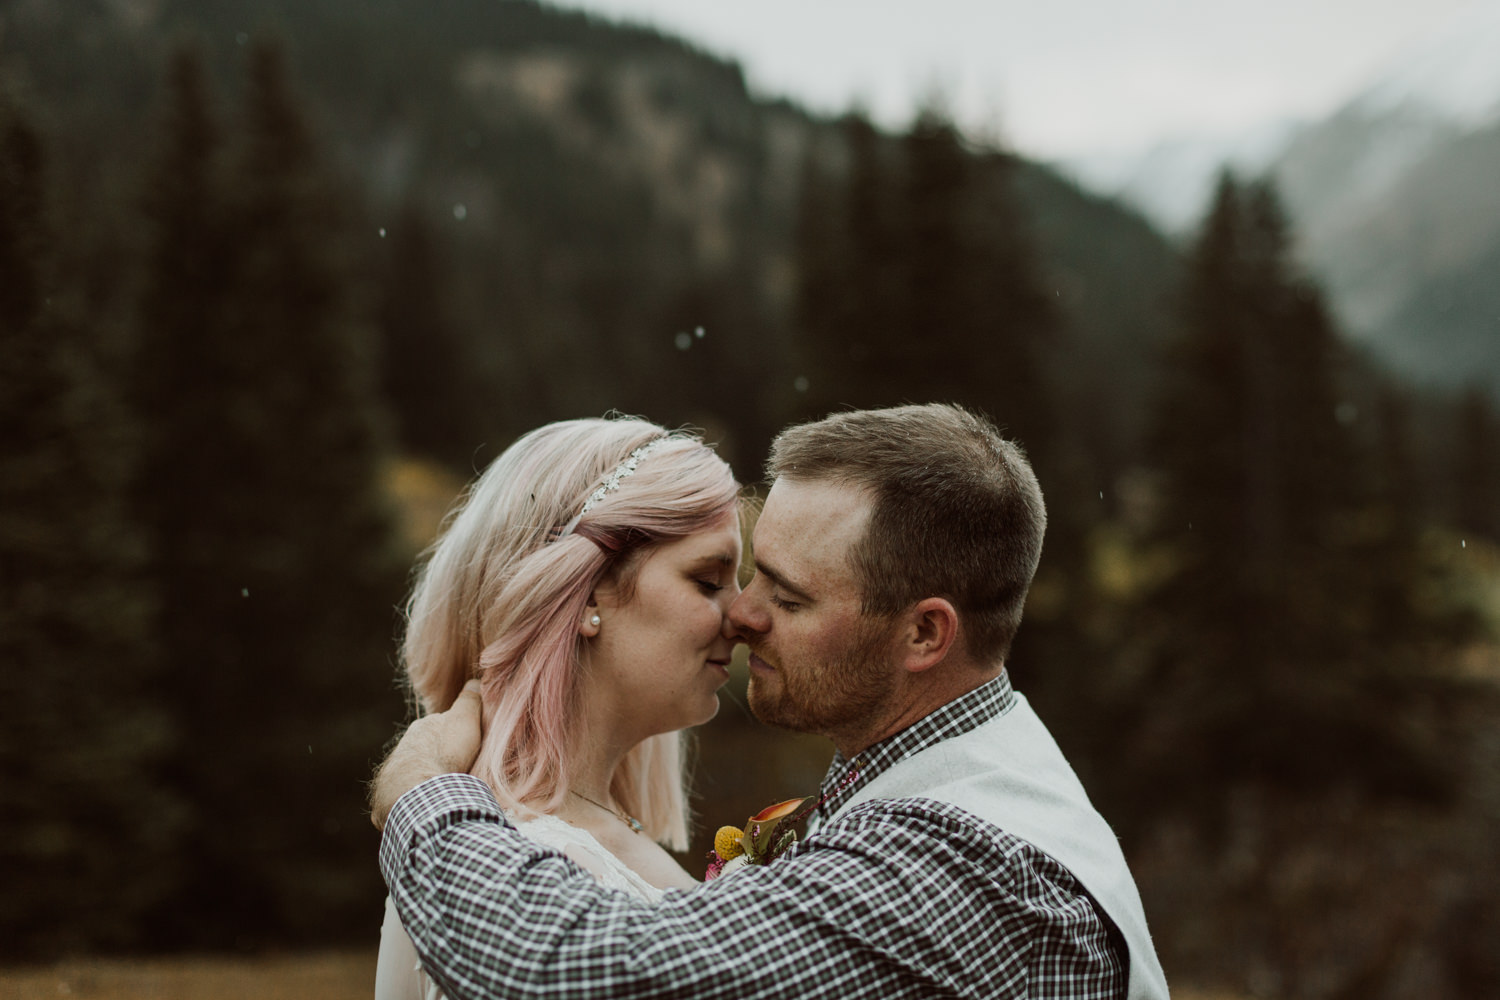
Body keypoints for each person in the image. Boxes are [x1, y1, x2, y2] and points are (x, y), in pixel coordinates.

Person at [373, 403, 1171, 1000]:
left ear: (924, 635)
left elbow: (575, 970)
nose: (743, 615)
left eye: (785, 597)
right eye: (726, 578)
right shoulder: (972, 795)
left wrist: (419, 793)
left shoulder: (964, 860)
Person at [373, 417, 743, 1000]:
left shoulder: (476, 851)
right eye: (709, 579)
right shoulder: (510, 866)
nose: (744, 617)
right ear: (588, 594)